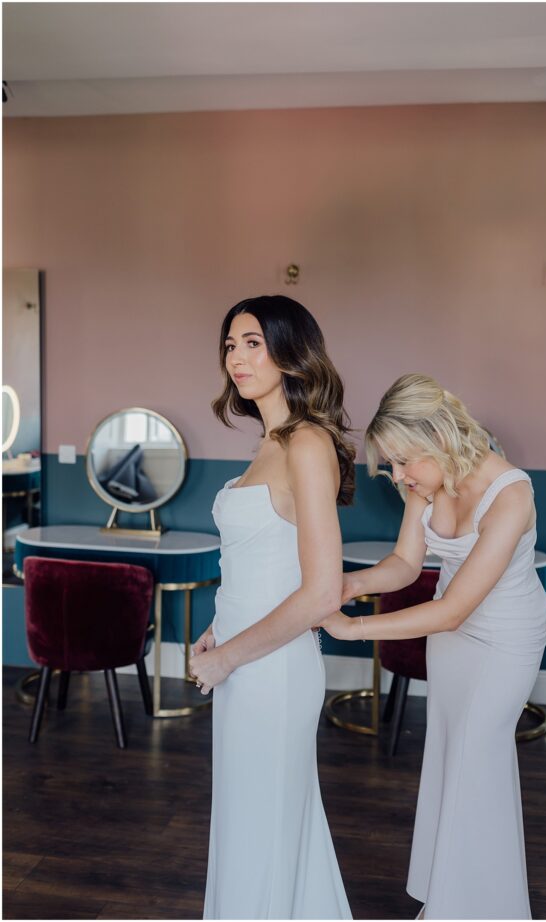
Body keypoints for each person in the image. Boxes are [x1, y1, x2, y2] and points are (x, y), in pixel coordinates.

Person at [319, 373, 546, 920]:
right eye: (392, 464)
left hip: (505, 639)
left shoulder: (510, 494)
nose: (397, 476)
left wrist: (354, 630)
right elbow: (404, 563)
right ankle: (452, 899)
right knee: (450, 755)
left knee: (479, 755)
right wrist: (347, 587)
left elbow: (452, 610)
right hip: (453, 639)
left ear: (441, 436)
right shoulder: (422, 481)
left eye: (404, 462)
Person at [189, 295, 354, 919]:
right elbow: (264, 566)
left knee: (266, 824)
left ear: (290, 351)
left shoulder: (307, 444)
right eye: (230, 344)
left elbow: (320, 591)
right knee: (257, 822)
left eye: (253, 341)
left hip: (272, 672)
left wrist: (228, 655)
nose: (236, 356)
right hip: (243, 662)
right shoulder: (271, 441)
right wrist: (217, 631)